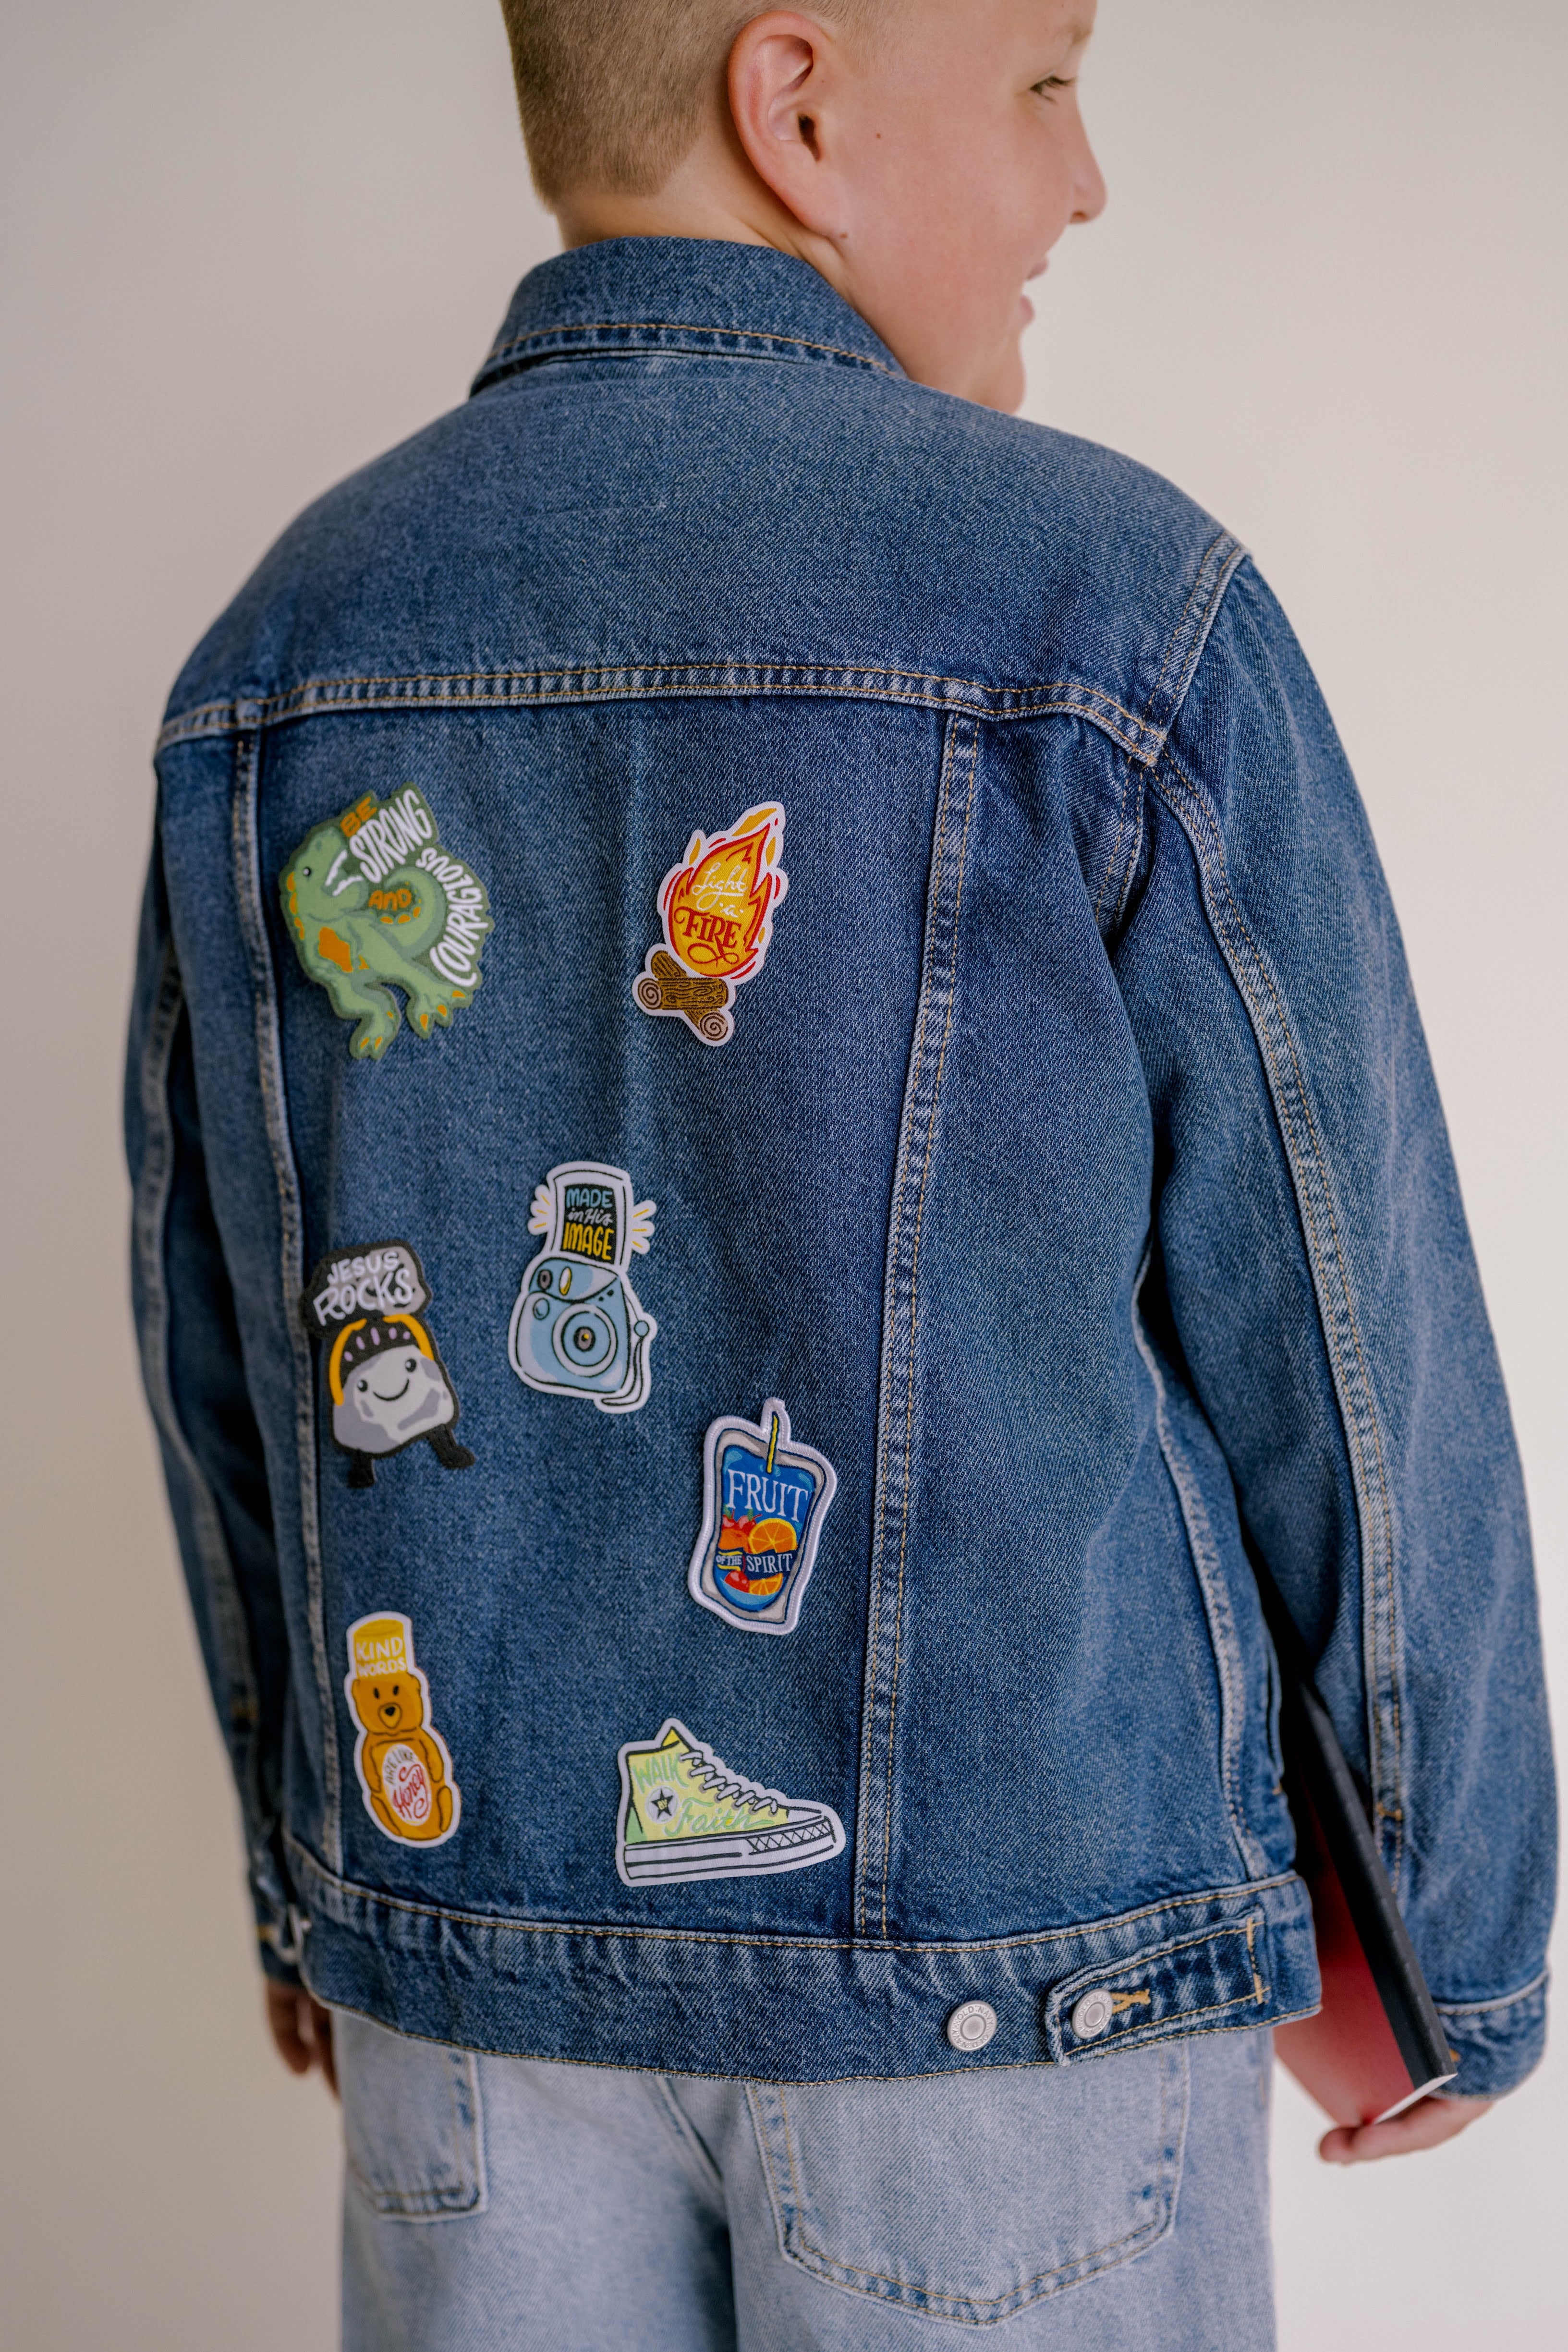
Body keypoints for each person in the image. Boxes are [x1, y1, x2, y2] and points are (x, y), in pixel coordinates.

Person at [125, 3, 1554, 2345]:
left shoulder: (273, 657)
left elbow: (226, 1337)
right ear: (790, 107)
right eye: (1043, 81)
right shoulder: (1108, 606)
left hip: (463, 1983)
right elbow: (1343, 1318)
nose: (1085, 178)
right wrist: (1456, 1923)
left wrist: (320, 1874)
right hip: (1011, 1997)